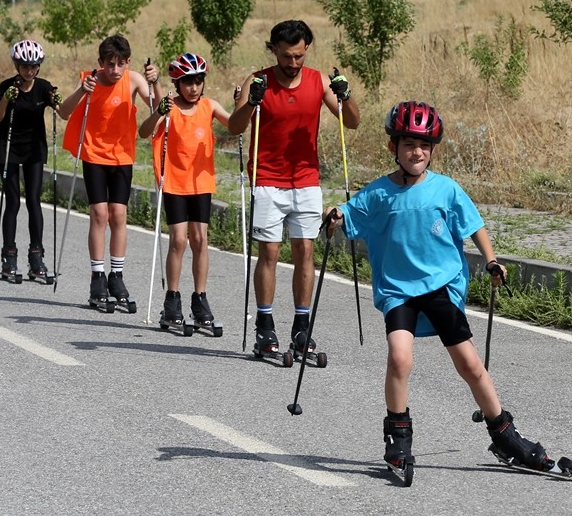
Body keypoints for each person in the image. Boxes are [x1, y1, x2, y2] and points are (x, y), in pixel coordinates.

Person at [324, 101, 562, 475]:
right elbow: (351, 211)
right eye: (407, 144)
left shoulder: (446, 190)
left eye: (423, 145)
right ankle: (398, 439)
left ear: (433, 149)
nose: (416, 152)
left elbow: (474, 225)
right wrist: (337, 214)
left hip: (440, 287)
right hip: (399, 290)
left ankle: (505, 435)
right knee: (399, 357)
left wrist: (491, 260)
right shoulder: (379, 193)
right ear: (393, 148)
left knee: (469, 364)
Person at [227, 19, 359, 357]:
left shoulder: (317, 80)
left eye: (299, 56)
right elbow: (234, 127)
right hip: (267, 179)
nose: (293, 63)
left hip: (305, 181)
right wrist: (251, 102)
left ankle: (302, 329)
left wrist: (346, 95)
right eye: (286, 56)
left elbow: (352, 121)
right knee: (269, 254)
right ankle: (265, 326)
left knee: (305, 253)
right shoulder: (259, 80)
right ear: (274, 51)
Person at [57, 34, 159, 308]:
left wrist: (155, 81)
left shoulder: (134, 79)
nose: (115, 70)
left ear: (128, 62)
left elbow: (159, 109)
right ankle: (97, 275)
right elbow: (64, 113)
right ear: (100, 62)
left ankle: (117, 275)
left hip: (123, 156)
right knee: (99, 214)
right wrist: (82, 90)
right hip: (94, 154)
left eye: (120, 64)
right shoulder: (89, 79)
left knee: (119, 214)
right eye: (110, 64)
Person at [138, 52, 232, 331]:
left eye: (198, 81)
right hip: (175, 182)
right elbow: (143, 133)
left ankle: (200, 300)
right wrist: (158, 112)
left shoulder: (209, 105)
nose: (194, 88)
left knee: (201, 239)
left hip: (201, 183)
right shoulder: (169, 108)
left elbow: (237, 124)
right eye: (187, 82)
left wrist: (245, 102)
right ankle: (172, 300)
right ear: (177, 83)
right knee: (179, 240)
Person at [0, 39, 60, 281]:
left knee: (33, 201)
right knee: (13, 202)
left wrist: (57, 100)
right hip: (8, 147)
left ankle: (36, 257)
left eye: (33, 66)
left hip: (33, 149)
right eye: (24, 66)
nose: (29, 71)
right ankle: (9, 258)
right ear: (16, 65)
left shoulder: (43, 87)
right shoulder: (6, 86)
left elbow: (63, 112)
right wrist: (7, 99)